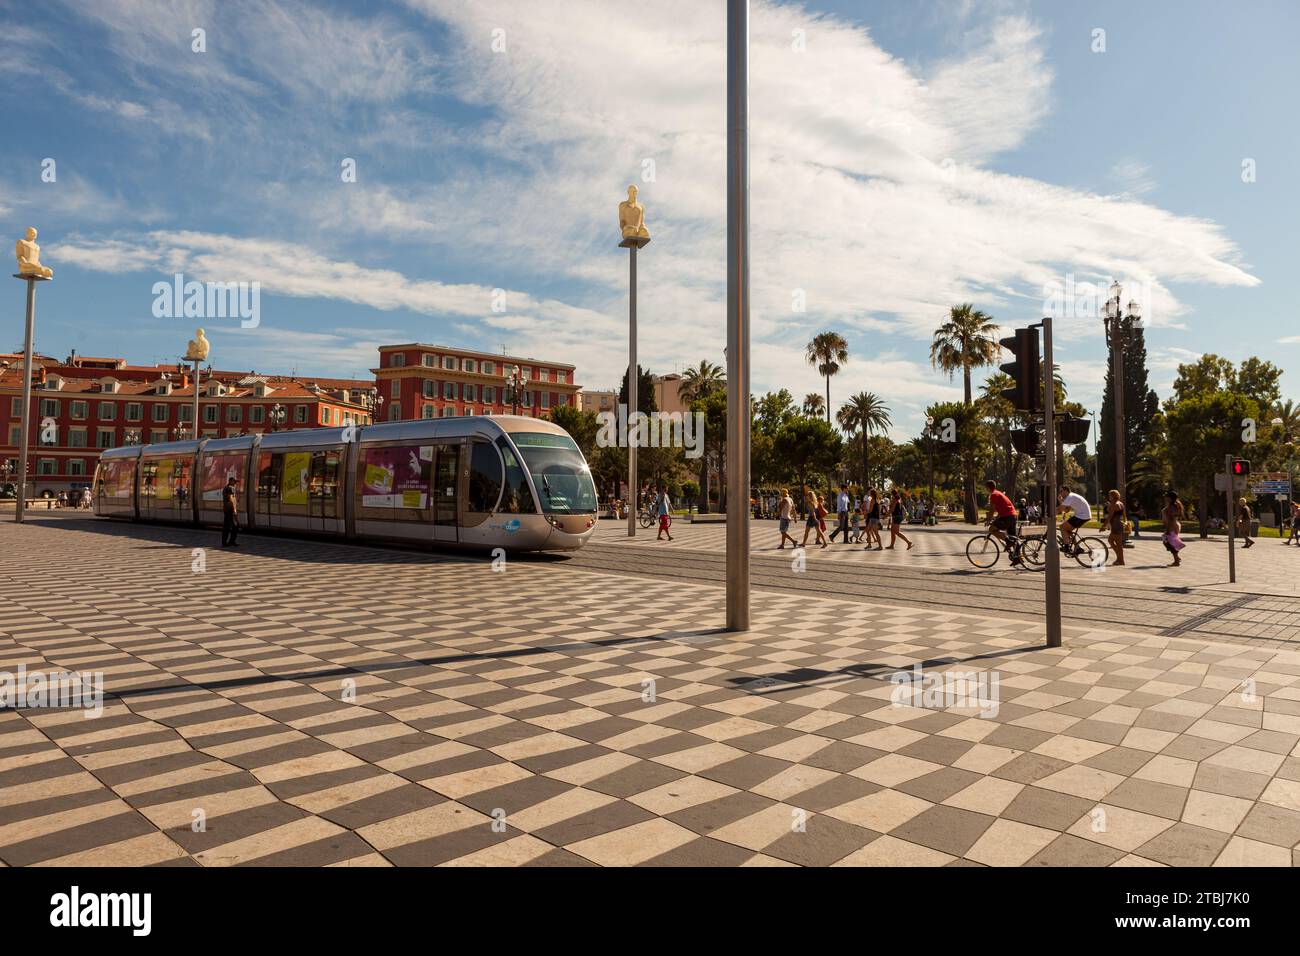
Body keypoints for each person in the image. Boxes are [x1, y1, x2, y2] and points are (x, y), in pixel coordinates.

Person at [984, 480, 1020, 562]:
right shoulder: (998, 493)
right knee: (1013, 537)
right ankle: (1018, 558)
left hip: (1007, 517)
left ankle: (1008, 541)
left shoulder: (993, 495)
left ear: (988, 487)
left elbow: (992, 510)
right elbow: (1001, 510)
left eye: (986, 488)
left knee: (991, 529)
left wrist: (989, 520)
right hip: (1013, 516)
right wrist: (995, 519)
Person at [1058, 485, 1091, 554]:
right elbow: (1066, 510)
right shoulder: (1071, 496)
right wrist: (1061, 501)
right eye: (1059, 492)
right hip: (1084, 516)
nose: (1060, 493)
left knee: (1062, 527)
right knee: (1068, 530)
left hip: (1081, 516)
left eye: (1061, 491)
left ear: (1066, 491)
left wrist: (1048, 515)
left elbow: (1060, 509)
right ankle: (1077, 547)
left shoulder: (1070, 497)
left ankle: (1066, 548)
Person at [1162, 490, 1185, 567]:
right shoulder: (1174, 505)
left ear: (1170, 498)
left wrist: (1168, 529)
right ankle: (1177, 558)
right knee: (1169, 542)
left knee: (1169, 542)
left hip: (1172, 526)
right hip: (1174, 525)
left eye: (1167, 496)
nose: (1165, 498)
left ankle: (1176, 560)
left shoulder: (1171, 507)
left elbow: (1171, 519)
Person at [1105, 490, 1127, 566]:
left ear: (1112, 496)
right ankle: (1119, 559)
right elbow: (1124, 516)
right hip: (1119, 524)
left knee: (1117, 543)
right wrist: (1125, 523)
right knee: (1113, 541)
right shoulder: (1120, 503)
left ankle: (1121, 560)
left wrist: (1103, 526)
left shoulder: (1114, 504)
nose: (1109, 497)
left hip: (1115, 525)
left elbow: (1109, 517)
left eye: (1109, 495)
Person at [221, 475, 239, 547]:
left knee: (229, 526)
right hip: (230, 510)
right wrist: (235, 510)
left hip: (227, 509)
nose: (235, 483)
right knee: (234, 526)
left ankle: (227, 542)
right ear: (230, 481)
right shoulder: (230, 488)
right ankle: (229, 541)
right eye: (234, 482)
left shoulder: (226, 488)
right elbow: (231, 499)